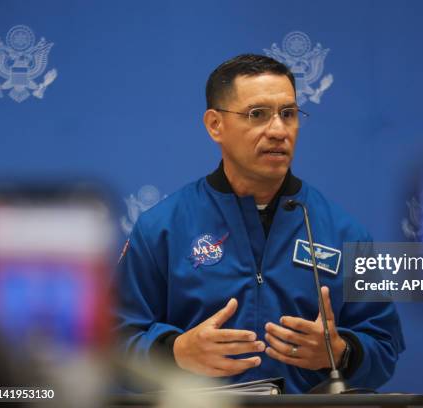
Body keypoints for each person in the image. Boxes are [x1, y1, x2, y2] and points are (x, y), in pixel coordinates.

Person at [115, 54, 405, 394]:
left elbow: (385, 346)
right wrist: (174, 352)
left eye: (288, 114)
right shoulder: (161, 229)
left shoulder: (343, 233)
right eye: (257, 115)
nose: (278, 130)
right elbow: (113, 343)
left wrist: (340, 352)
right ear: (215, 125)